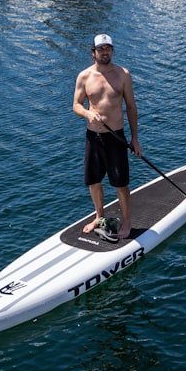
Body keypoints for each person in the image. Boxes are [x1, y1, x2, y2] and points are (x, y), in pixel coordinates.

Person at [72, 34, 142, 241]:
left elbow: (131, 107)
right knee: (94, 181)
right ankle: (99, 216)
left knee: (120, 183)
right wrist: (87, 113)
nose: (105, 52)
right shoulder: (84, 76)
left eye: (108, 48)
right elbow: (76, 105)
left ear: (112, 51)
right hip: (93, 137)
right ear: (93, 52)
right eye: (100, 49)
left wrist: (135, 138)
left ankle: (127, 220)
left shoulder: (123, 75)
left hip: (116, 139)